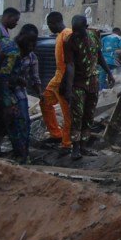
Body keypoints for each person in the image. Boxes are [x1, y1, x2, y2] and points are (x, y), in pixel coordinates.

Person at [0, 24, 40, 162]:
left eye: (33, 42)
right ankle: (21, 157)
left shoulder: (6, 43)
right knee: (17, 124)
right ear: (22, 37)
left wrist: (17, 79)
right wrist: (7, 104)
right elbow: (3, 79)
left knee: (1, 126)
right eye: (30, 41)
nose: (32, 45)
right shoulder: (14, 53)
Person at [61, 15, 114, 160]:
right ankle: (75, 148)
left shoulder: (94, 35)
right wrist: (69, 87)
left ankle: (84, 146)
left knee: (89, 114)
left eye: (79, 30)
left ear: (86, 27)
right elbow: (70, 65)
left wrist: (109, 73)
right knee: (77, 115)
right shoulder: (69, 41)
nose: (76, 33)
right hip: (78, 83)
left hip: (93, 82)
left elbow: (99, 55)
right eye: (74, 30)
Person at [40, 12, 73, 150]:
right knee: (44, 100)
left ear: (53, 23)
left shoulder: (67, 34)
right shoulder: (60, 35)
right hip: (57, 76)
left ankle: (67, 143)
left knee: (67, 113)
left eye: (49, 25)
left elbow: (71, 62)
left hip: (64, 78)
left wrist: (68, 84)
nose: (49, 28)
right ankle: (56, 134)